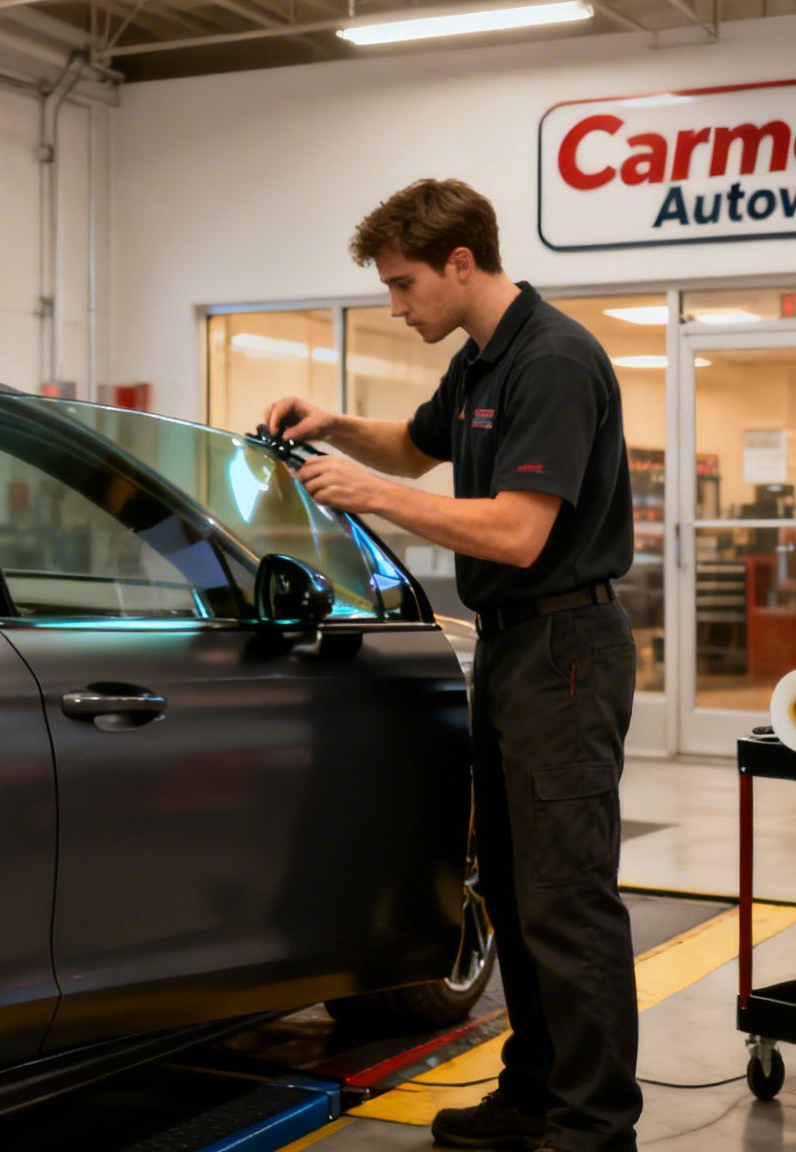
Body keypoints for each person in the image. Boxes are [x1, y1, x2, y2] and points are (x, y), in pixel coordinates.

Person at [265, 178, 639, 1152]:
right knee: (513, 892)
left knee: (567, 900)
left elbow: (516, 532)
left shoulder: (551, 361)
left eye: (402, 285)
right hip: (515, 648)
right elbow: (416, 445)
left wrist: (370, 494)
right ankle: (533, 1093)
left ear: (459, 263)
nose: (395, 306)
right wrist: (333, 428)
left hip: (563, 651)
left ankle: (594, 1128)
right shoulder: (481, 360)